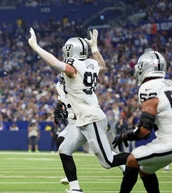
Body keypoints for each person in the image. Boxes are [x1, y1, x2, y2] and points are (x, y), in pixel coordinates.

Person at [28, 28, 129, 193]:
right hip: (83, 118)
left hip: (91, 118)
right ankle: (75, 188)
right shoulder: (90, 64)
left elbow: (53, 63)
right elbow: (102, 67)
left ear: (70, 50)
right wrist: (95, 47)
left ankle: (141, 158)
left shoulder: (73, 68)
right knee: (65, 150)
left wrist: (36, 47)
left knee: (108, 162)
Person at [112, 50, 172, 193]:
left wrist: (126, 135)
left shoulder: (148, 87)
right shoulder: (168, 83)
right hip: (165, 138)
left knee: (133, 159)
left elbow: (144, 131)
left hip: (168, 141)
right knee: (145, 170)